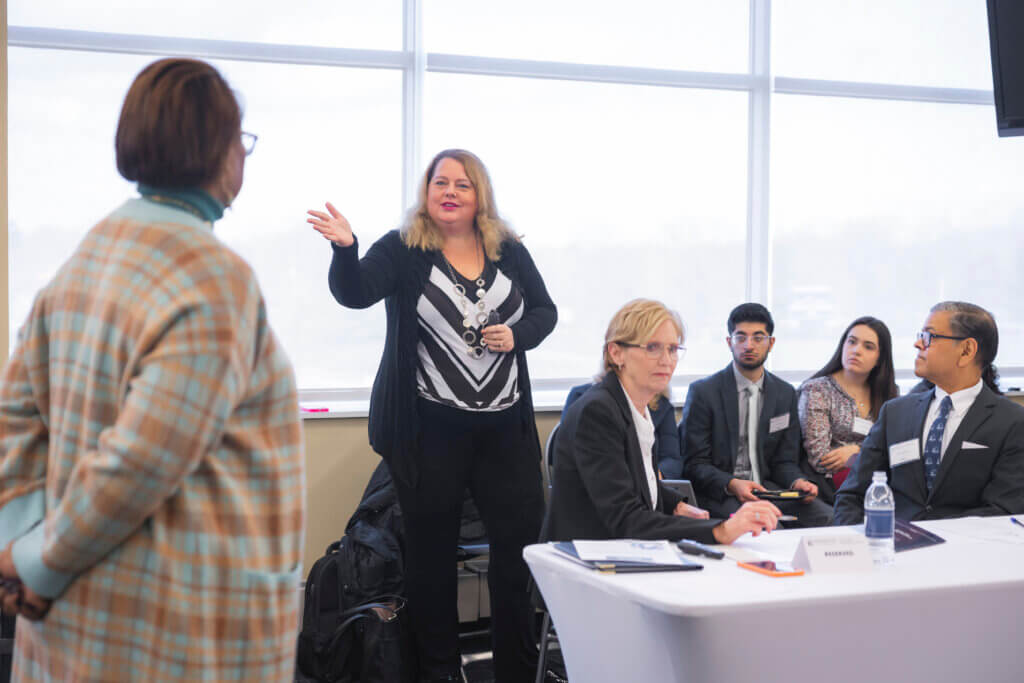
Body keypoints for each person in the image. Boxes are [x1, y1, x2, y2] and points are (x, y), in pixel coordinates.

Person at [0, 58, 304, 681]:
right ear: (218, 151)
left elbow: (15, 418)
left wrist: (18, 542)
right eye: (240, 141)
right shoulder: (213, 278)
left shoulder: (89, 254)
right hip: (167, 626)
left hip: (73, 626)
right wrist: (35, 563)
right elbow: (138, 463)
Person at [308, 149, 556, 683]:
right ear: (426, 193)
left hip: (505, 429)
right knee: (431, 563)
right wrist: (345, 249)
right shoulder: (404, 248)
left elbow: (545, 312)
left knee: (517, 556)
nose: (450, 192)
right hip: (430, 431)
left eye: (462, 184)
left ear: (479, 195)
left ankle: (515, 672)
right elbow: (355, 292)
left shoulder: (508, 249)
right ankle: (439, 673)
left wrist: (518, 335)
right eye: (440, 182)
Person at [542, 299, 784, 546]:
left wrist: (675, 504)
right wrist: (720, 530)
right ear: (616, 353)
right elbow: (626, 518)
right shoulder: (598, 411)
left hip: (618, 549)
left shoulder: (638, 405)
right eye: (652, 347)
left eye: (672, 349)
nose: (667, 360)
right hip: (584, 556)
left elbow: (639, 481)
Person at [834, 302, 1024, 523]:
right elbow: (852, 496)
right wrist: (863, 540)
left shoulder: (1012, 422)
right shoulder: (895, 413)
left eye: (929, 336)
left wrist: (931, 536)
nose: (917, 344)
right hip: (891, 540)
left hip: (967, 543)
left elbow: (1003, 510)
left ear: (966, 351)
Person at [680, 303, 833, 527]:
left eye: (758, 338)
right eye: (740, 337)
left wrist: (797, 481)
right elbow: (694, 464)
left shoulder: (785, 394)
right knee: (769, 527)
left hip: (768, 490)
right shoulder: (704, 393)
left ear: (771, 343)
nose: (749, 345)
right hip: (723, 492)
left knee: (829, 518)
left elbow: (784, 461)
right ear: (729, 342)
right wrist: (732, 483)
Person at [797, 317, 899, 501]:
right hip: (831, 486)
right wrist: (869, 455)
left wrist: (857, 451)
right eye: (852, 342)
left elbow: (894, 447)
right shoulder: (817, 389)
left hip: (878, 482)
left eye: (868, 347)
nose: (856, 350)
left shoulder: (888, 393)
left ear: (879, 359)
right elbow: (821, 459)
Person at [562, 383, 686, 479]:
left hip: (647, 490)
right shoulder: (582, 397)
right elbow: (568, 457)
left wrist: (656, 476)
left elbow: (672, 460)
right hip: (596, 488)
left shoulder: (662, 405)